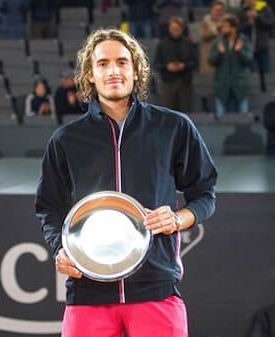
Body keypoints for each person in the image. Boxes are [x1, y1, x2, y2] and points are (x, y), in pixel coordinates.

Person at [35, 28, 217, 337]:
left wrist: (177, 219)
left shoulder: (172, 127)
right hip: (87, 291)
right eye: (103, 64)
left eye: (122, 62)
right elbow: (48, 209)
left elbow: (205, 195)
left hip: (156, 287)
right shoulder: (66, 140)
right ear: (90, 74)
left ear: (136, 71)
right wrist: (59, 249)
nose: (113, 71)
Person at [209, 13, 253, 119]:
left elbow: (249, 60)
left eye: (225, 26)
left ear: (233, 28)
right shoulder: (218, 41)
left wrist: (239, 51)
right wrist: (219, 53)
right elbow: (211, 61)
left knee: (243, 116)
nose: (223, 29)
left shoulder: (244, 40)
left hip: (240, 83)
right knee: (221, 117)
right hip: (222, 84)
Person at [154, 16, 198, 113]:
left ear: (182, 29)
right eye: (173, 29)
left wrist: (184, 66)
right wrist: (167, 67)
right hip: (168, 83)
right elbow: (156, 64)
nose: (175, 31)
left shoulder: (189, 44)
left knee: (185, 113)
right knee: (169, 113)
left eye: (178, 29)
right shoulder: (162, 44)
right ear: (169, 28)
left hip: (185, 83)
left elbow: (195, 62)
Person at [238, 0, 274, 92]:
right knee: (248, 74)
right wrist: (249, 23)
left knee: (266, 74)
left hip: (262, 46)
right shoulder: (241, 11)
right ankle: (250, 94)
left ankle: (266, 95)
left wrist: (258, 17)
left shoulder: (264, 8)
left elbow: (270, 23)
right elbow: (238, 29)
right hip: (247, 48)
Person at [199, 1, 226, 75]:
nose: (218, 12)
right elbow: (203, 36)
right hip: (209, 56)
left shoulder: (228, 23)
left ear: (224, 12)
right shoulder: (205, 21)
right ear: (211, 10)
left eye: (220, 10)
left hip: (224, 59)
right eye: (216, 10)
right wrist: (215, 29)